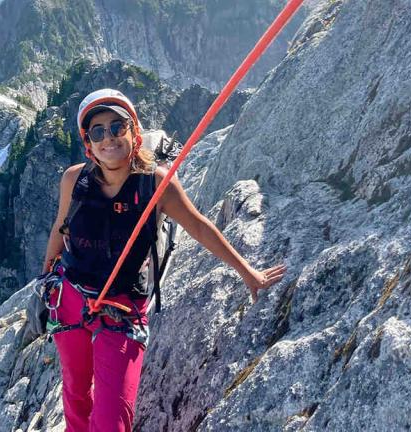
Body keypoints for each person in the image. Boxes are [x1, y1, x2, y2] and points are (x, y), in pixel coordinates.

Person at [41, 88, 286, 431]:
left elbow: (199, 228)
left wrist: (248, 273)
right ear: (88, 142)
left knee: (110, 422)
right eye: (97, 131)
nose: (108, 137)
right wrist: (46, 281)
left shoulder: (156, 185)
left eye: (117, 126)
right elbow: (59, 228)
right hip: (71, 299)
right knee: (76, 395)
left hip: (121, 308)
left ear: (133, 130)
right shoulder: (74, 180)